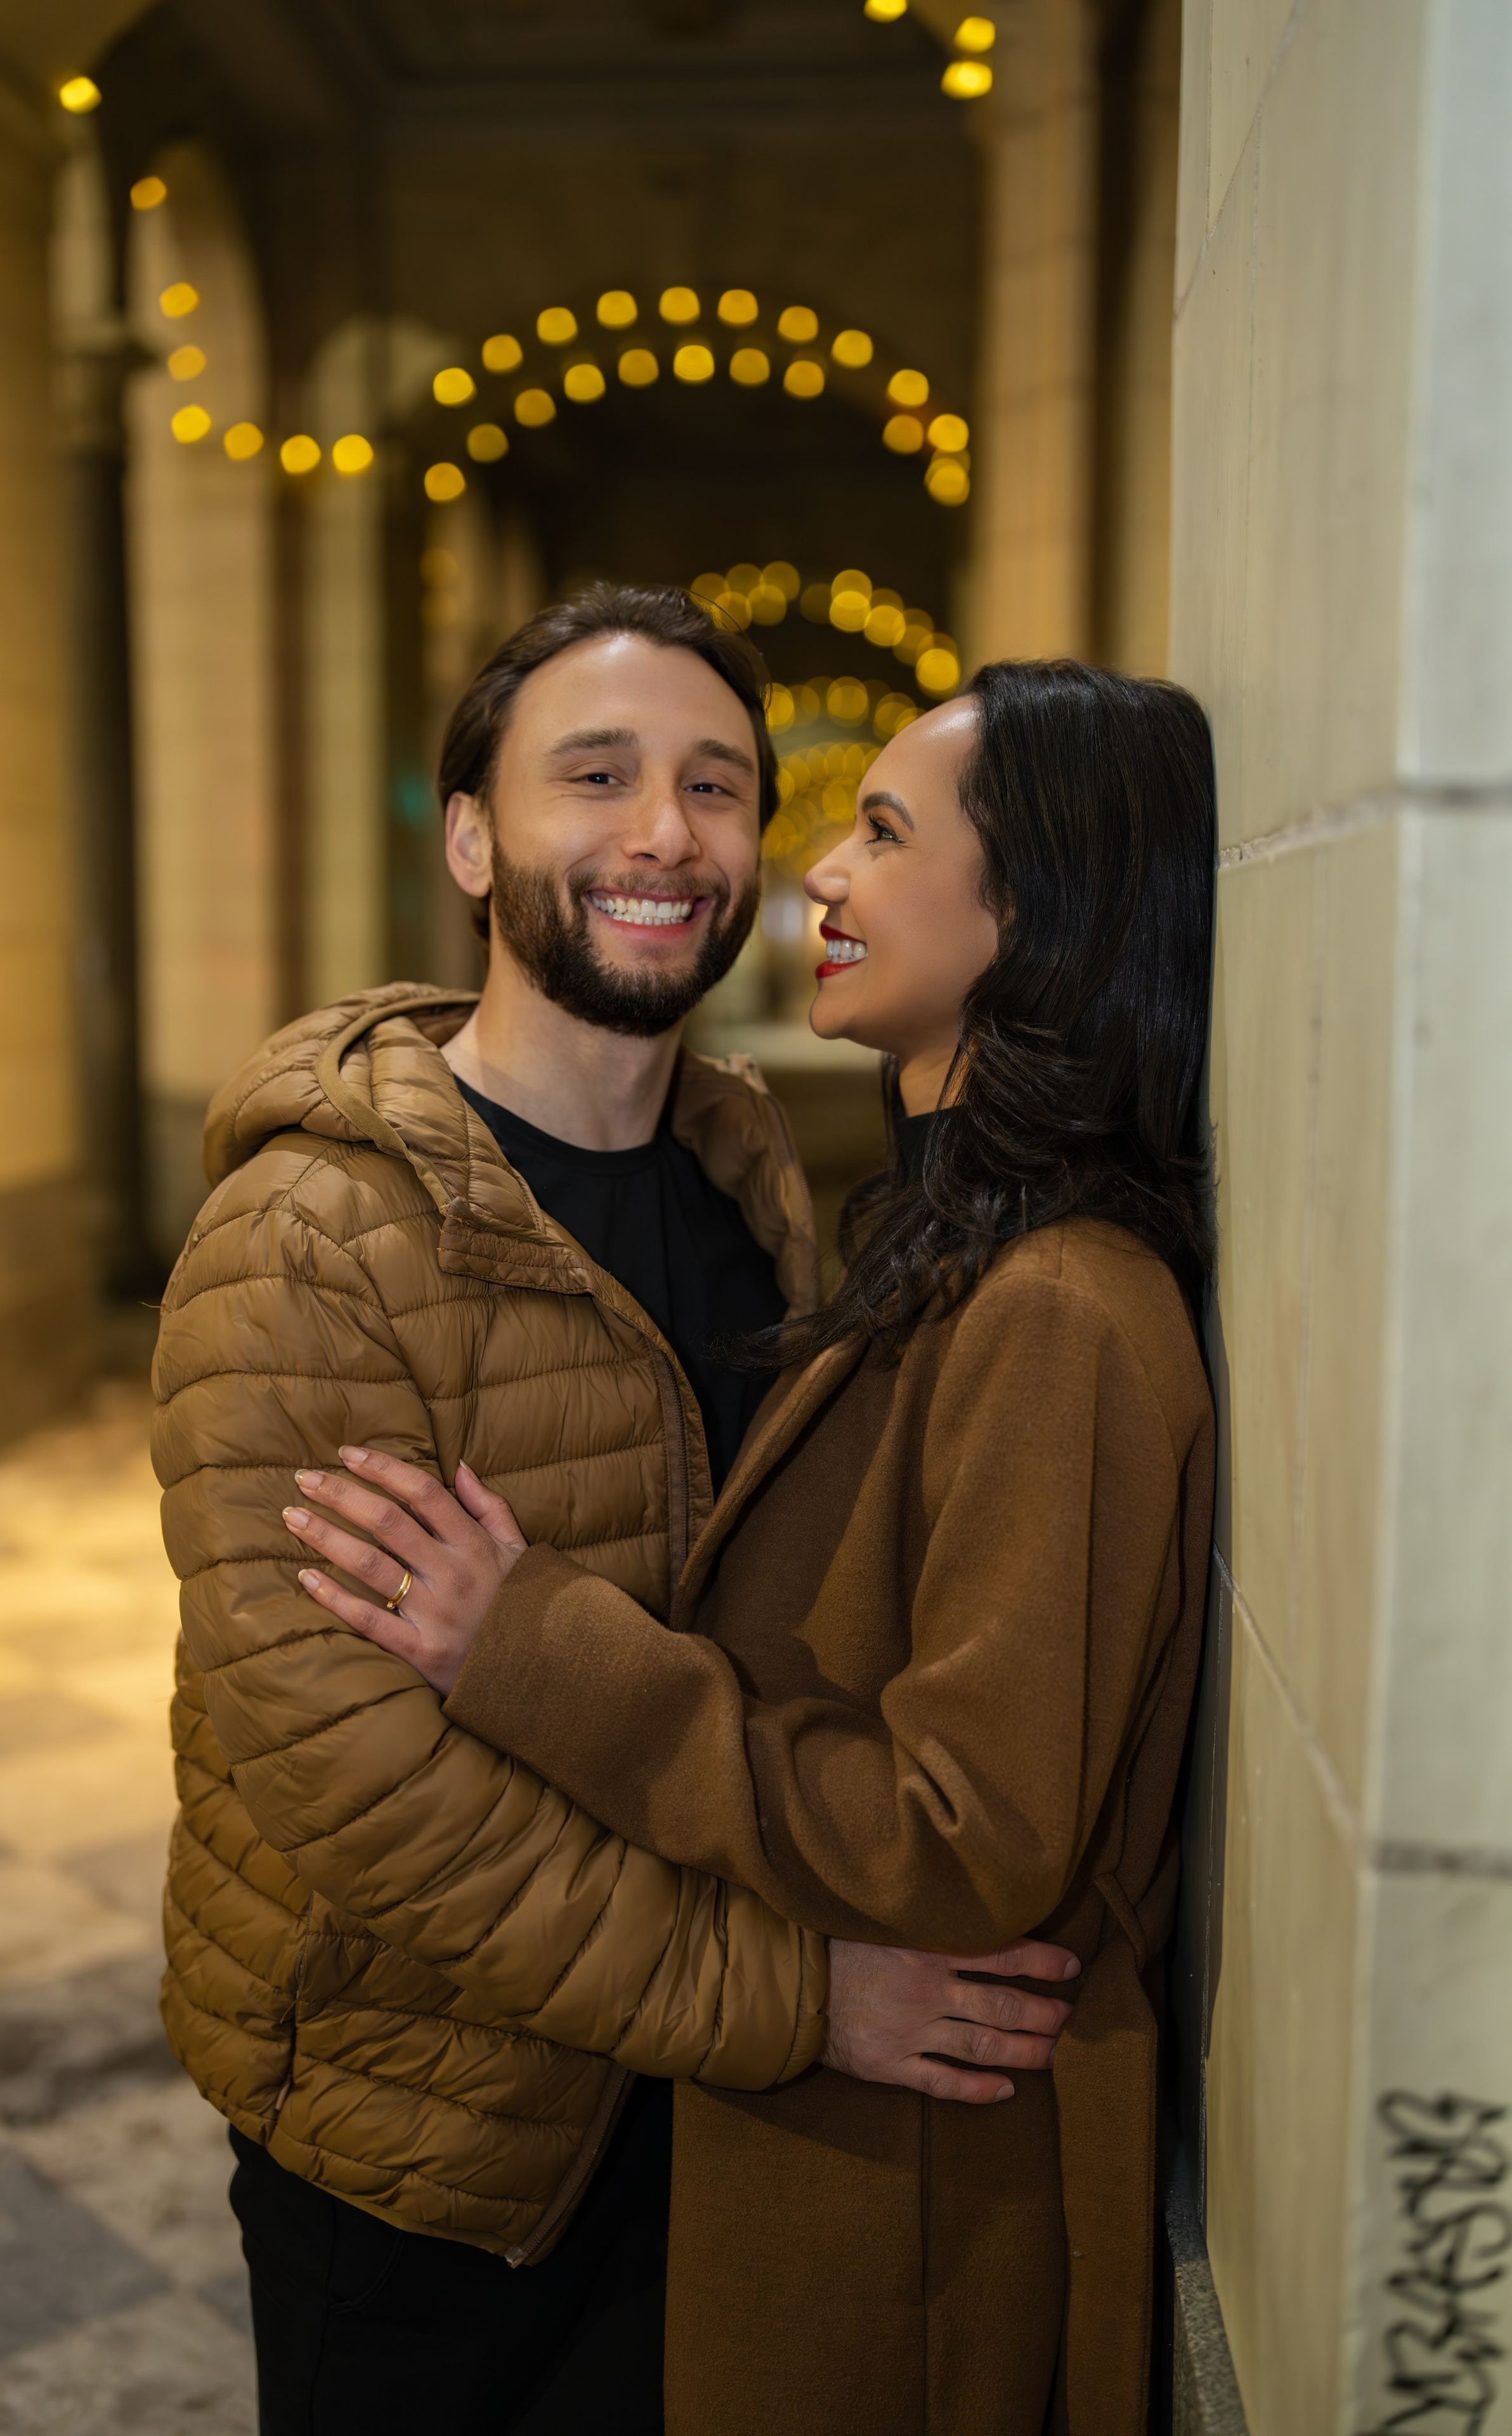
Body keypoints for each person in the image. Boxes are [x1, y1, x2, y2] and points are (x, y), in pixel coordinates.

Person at [152, 586, 1080, 2436]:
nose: (668, 831)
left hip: (692, 2124)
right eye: (600, 776)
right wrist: (797, 2000)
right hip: (430, 2148)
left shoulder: (751, 1171)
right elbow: (366, 1804)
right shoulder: (311, 1239)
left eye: (717, 786)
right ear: (479, 840)